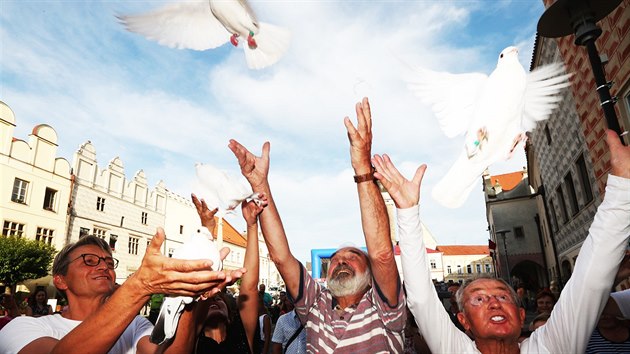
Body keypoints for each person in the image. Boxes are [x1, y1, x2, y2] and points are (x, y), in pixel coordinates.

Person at [372, 128, 630, 354]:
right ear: (464, 321)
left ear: (520, 316)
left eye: (503, 297)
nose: (493, 302)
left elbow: (590, 280)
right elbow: (421, 298)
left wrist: (623, 188)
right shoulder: (455, 350)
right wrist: (406, 211)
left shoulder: (552, 345)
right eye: (479, 299)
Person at [228, 97, 406, 352]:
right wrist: (259, 185)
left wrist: (362, 166)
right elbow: (280, 257)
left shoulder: (385, 309)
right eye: (335, 258)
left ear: (370, 278)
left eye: (353, 256)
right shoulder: (314, 306)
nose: (341, 260)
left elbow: (382, 254)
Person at [0, 225, 243, 353]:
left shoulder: (136, 326)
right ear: (61, 280)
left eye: (108, 262)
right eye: (89, 260)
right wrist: (140, 285)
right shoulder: (24, 326)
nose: (103, 266)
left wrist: (189, 294)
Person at [193, 194, 267, 354]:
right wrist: (206, 229)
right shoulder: (192, 343)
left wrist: (252, 225)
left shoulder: (242, 335)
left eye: (219, 297)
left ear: (231, 314)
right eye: (209, 297)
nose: (214, 298)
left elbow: (249, 286)